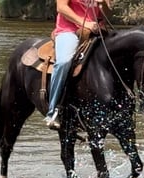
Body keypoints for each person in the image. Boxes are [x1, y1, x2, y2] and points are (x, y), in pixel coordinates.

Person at [44, 0, 112, 129]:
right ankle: (53, 111)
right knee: (64, 62)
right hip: (69, 30)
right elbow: (61, 7)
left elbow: (107, 14)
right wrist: (84, 23)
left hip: (97, 30)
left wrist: (103, 3)